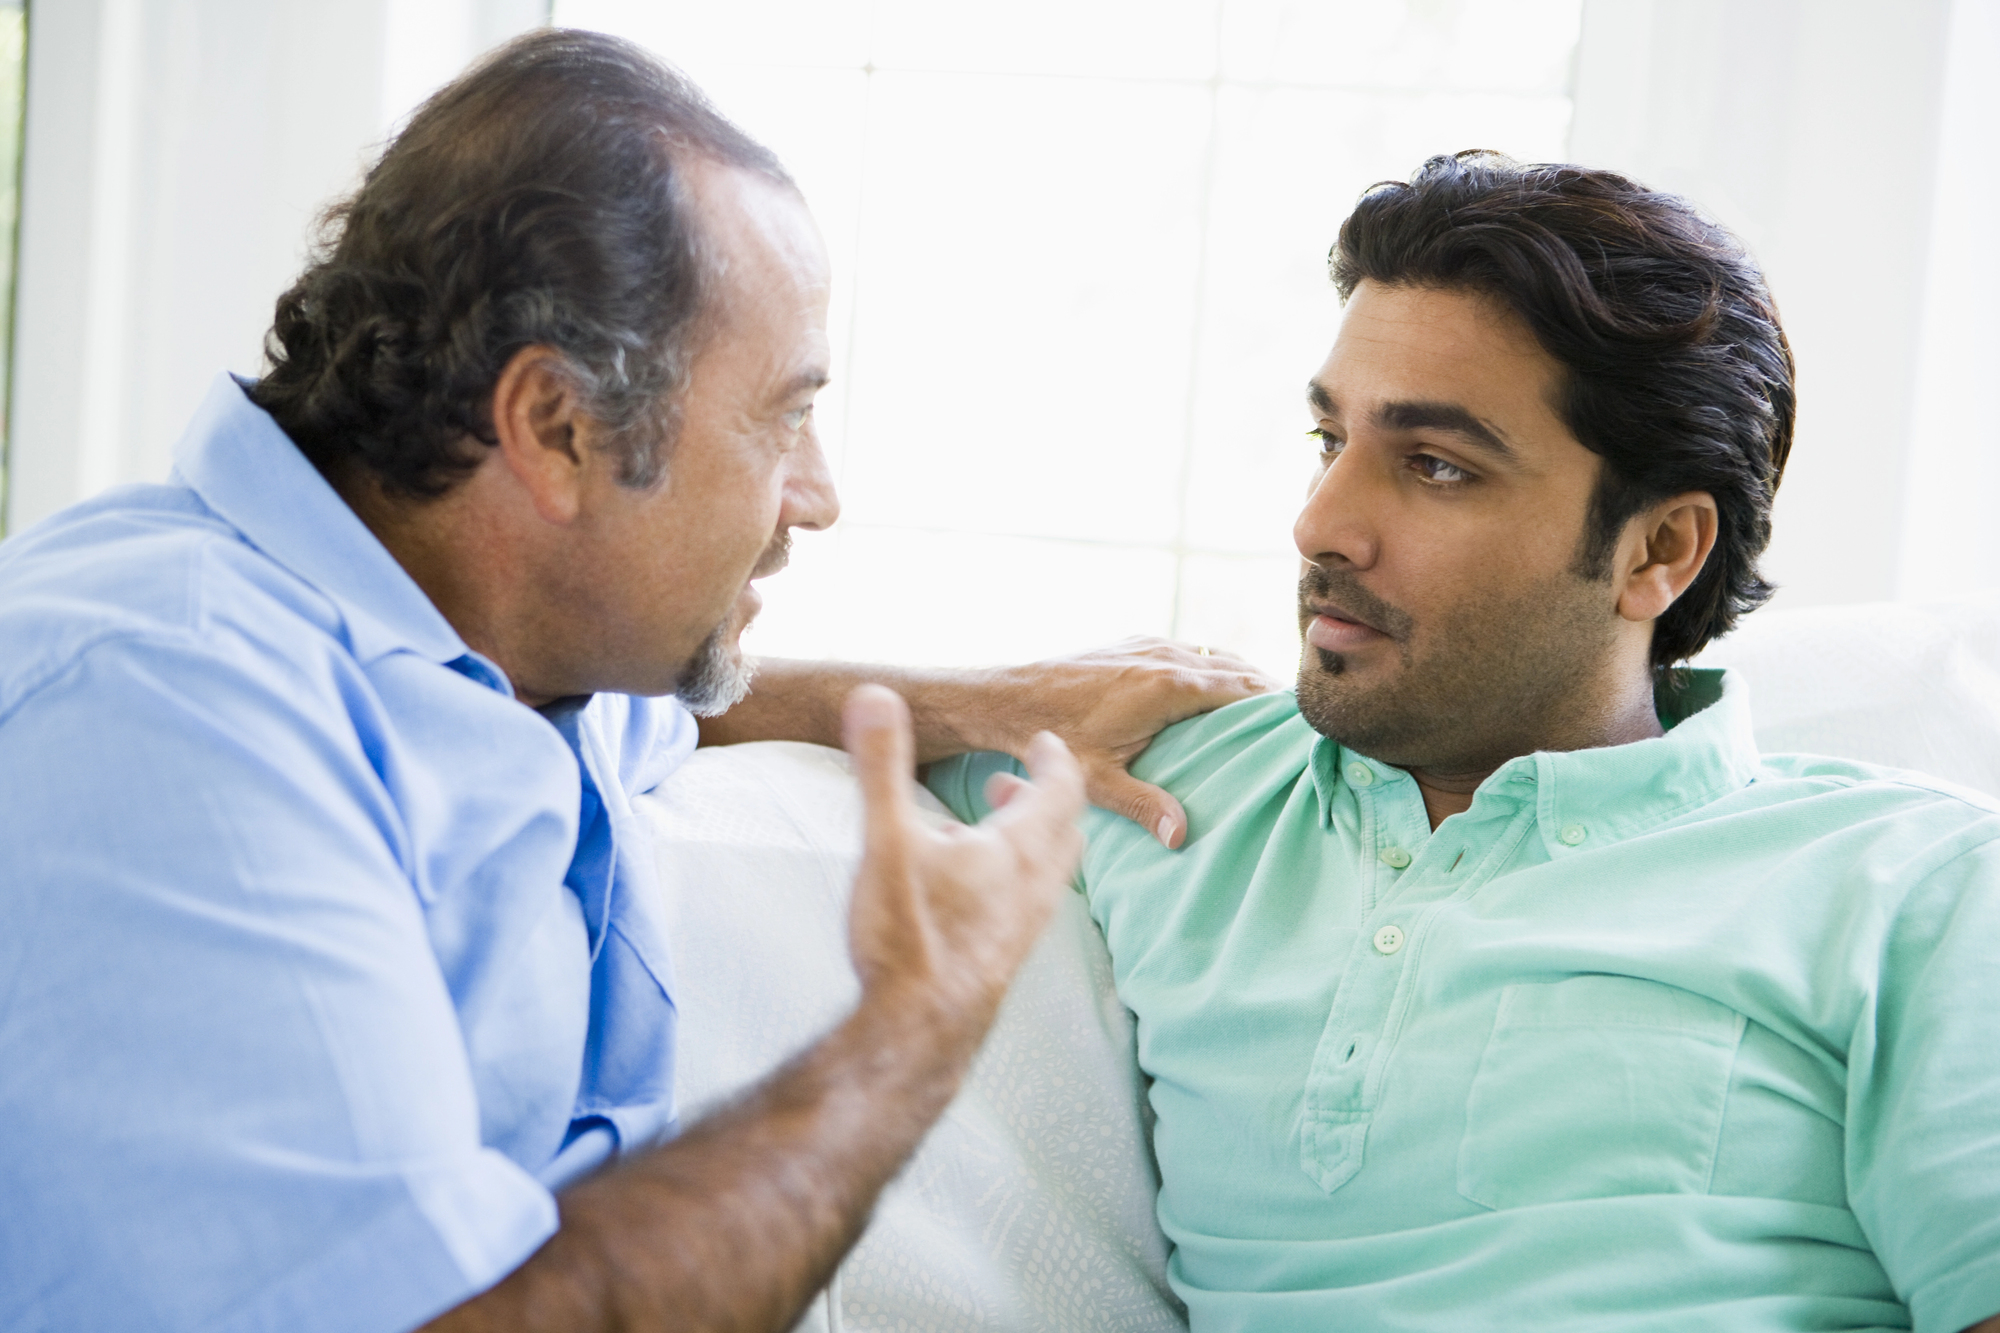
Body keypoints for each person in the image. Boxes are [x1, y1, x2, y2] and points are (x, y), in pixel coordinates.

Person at [0, 30, 1267, 1333]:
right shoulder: (163, 714)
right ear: (556, 430)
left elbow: (688, 706)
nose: (819, 498)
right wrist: (910, 1033)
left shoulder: (491, 649)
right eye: (783, 416)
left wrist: (977, 704)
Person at [931, 151, 2000, 1332]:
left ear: (1658, 553)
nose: (1321, 521)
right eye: (1325, 439)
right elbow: (695, 693)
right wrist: (978, 698)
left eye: (1434, 466)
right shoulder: (1160, 784)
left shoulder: (1915, 887)